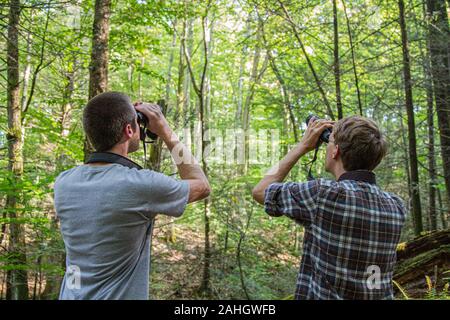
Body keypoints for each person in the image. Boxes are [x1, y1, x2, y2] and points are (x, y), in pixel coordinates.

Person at [54, 91, 210, 300]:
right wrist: (165, 129)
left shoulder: (64, 182)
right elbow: (202, 185)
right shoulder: (139, 185)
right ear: (129, 130)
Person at [252, 116, 406, 299]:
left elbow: (260, 191)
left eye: (329, 142)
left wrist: (302, 146)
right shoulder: (396, 206)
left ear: (335, 152)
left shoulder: (323, 194)